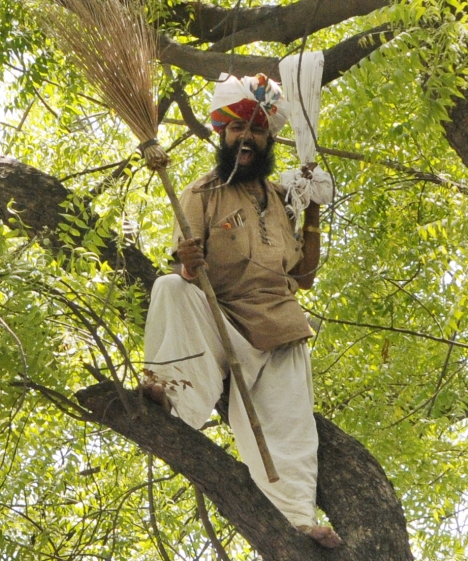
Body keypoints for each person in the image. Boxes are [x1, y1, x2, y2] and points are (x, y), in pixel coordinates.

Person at [142, 74, 340, 548]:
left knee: (292, 434)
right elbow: (186, 269)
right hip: (222, 321)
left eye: (256, 129)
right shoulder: (201, 193)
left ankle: (296, 523)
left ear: (269, 138)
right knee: (170, 288)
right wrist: (188, 267)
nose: (246, 138)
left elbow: (305, 275)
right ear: (221, 134)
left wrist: (311, 210)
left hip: (279, 330)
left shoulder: (280, 199)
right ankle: (170, 394)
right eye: (236, 129)